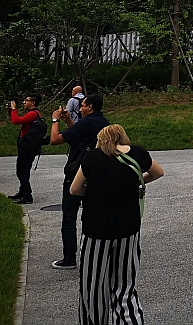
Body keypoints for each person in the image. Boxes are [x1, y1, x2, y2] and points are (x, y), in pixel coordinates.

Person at [70, 124, 163, 325]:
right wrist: (136, 182)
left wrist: (94, 190)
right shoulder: (138, 154)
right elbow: (158, 172)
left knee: (93, 287)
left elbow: (74, 189)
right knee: (125, 286)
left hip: (96, 231)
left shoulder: (92, 157)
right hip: (128, 230)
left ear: (102, 139)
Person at [50, 93, 110, 270]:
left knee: (69, 217)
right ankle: (95, 254)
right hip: (96, 174)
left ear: (90, 106)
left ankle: (69, 258)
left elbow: (55, 140)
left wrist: (55, 120)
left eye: (82, 105)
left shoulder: (86, 122)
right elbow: (80, 136)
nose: (80, 108)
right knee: (93, 215)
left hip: (76, 174)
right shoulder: (104, 123)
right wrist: (69, 121)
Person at [8, 93, 44, 204]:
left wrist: (14, 109)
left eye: (27, 100)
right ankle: (22, 192)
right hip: (27, 146)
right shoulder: (34, 113)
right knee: (24, 170)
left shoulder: (33, 114)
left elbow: (16, 121)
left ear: (33, 103)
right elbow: (15, 120)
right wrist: (10, 111)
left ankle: (27, 195)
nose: (24, 102)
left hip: (27, 147)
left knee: (22, 171)